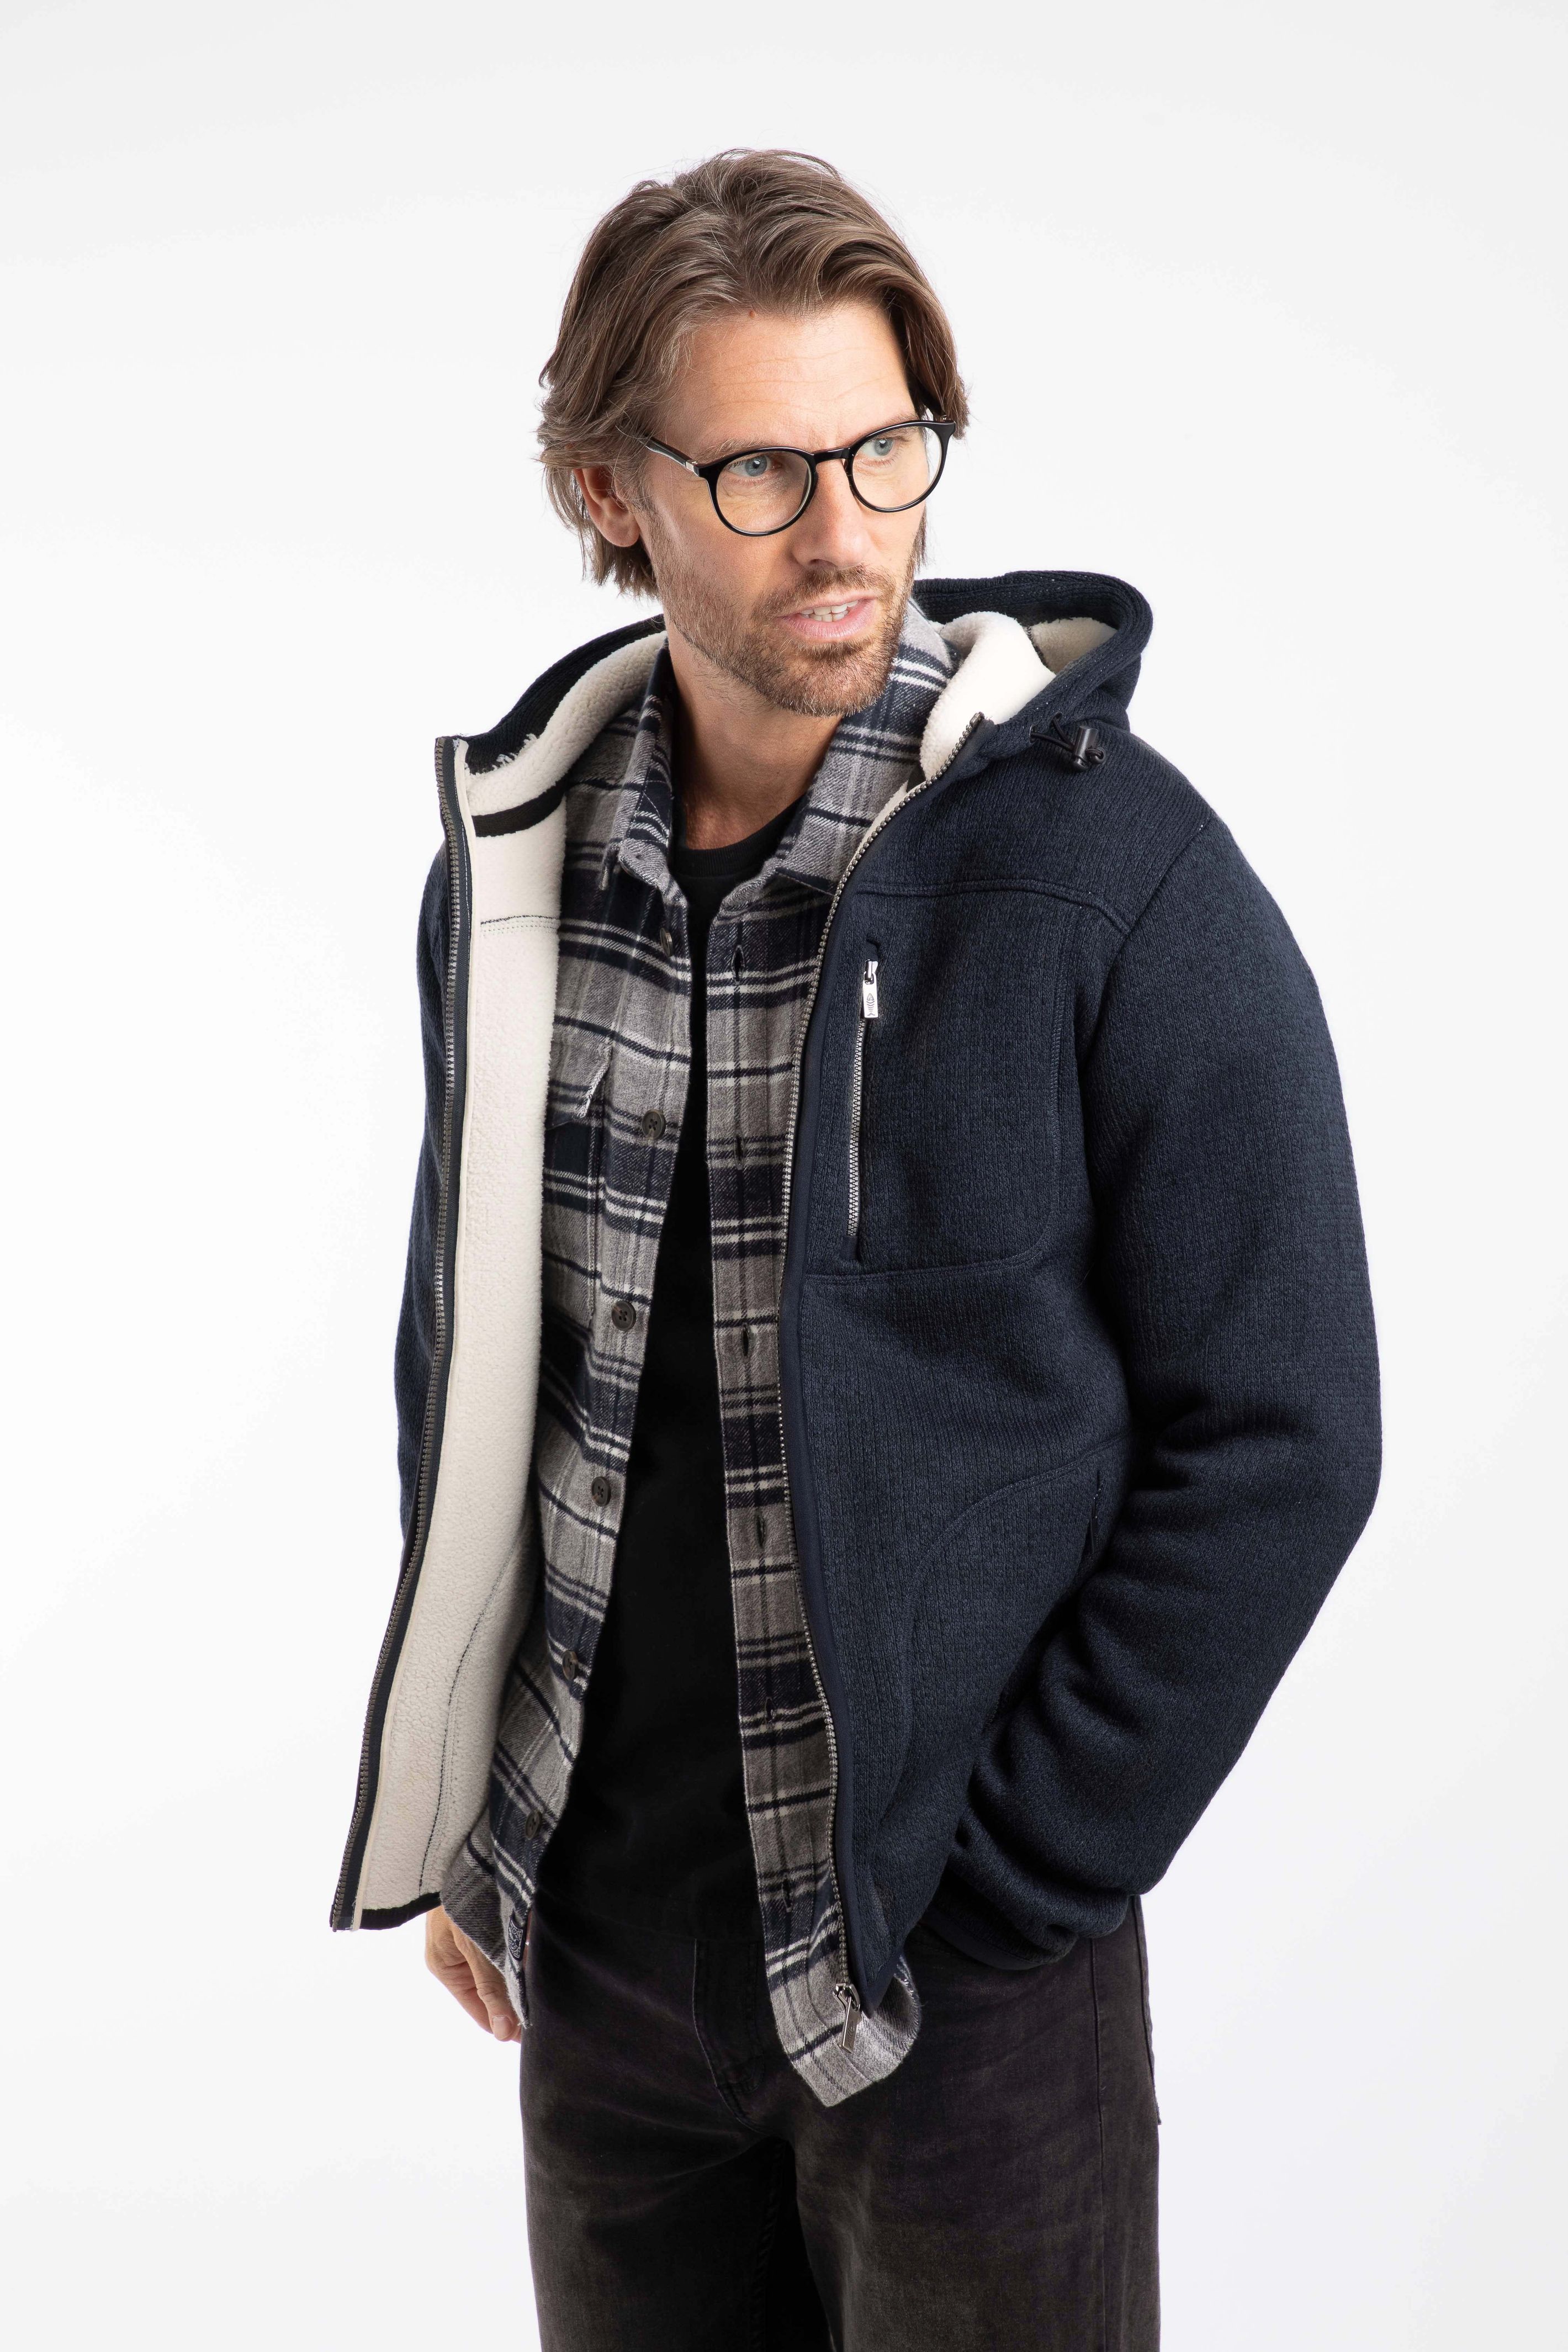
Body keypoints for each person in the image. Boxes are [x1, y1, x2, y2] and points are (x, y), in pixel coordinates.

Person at [331, 149, 1381, 2350]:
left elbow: (1284, 1427)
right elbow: (485, 1350)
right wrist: (470, 1793)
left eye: (887, 448)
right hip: (598, 1957)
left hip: (947, 1974)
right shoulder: (513, 874)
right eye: (760, 472)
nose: (843, 532)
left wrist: (1020, 1877)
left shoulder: (1113, 880)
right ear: (609, 491)